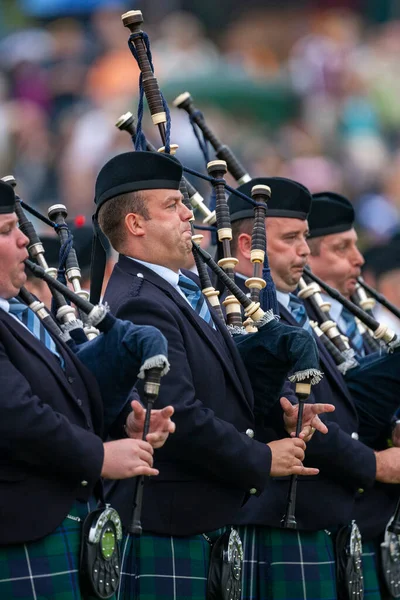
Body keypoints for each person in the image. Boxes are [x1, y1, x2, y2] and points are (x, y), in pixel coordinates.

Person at [94, 151, 331, 600]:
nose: (189, 214)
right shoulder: (142, 300)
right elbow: (178, 413)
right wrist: (262, 457)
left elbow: (218, 386)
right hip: (167, 527)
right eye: (172, 205)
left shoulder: (166, 293)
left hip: (190, 523)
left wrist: (275, 412)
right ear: (135, 224)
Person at [0, 178, 175, 600]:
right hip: (19, 536)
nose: (26, 240)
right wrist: (98, 456)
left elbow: (64, 400)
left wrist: (121, 425)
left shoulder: (16, 317)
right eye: (6, 230)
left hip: (53, 528)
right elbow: (16, 416)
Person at [228, 176, 400, 600]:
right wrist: (375, 465)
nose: (304, 250)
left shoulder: (297, 314)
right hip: (280, 518)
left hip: (323, 518)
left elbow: (343, 404)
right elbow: (300, 411)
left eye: (305, 237)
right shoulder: (250, 316)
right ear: (249, 245)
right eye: (291, 238)